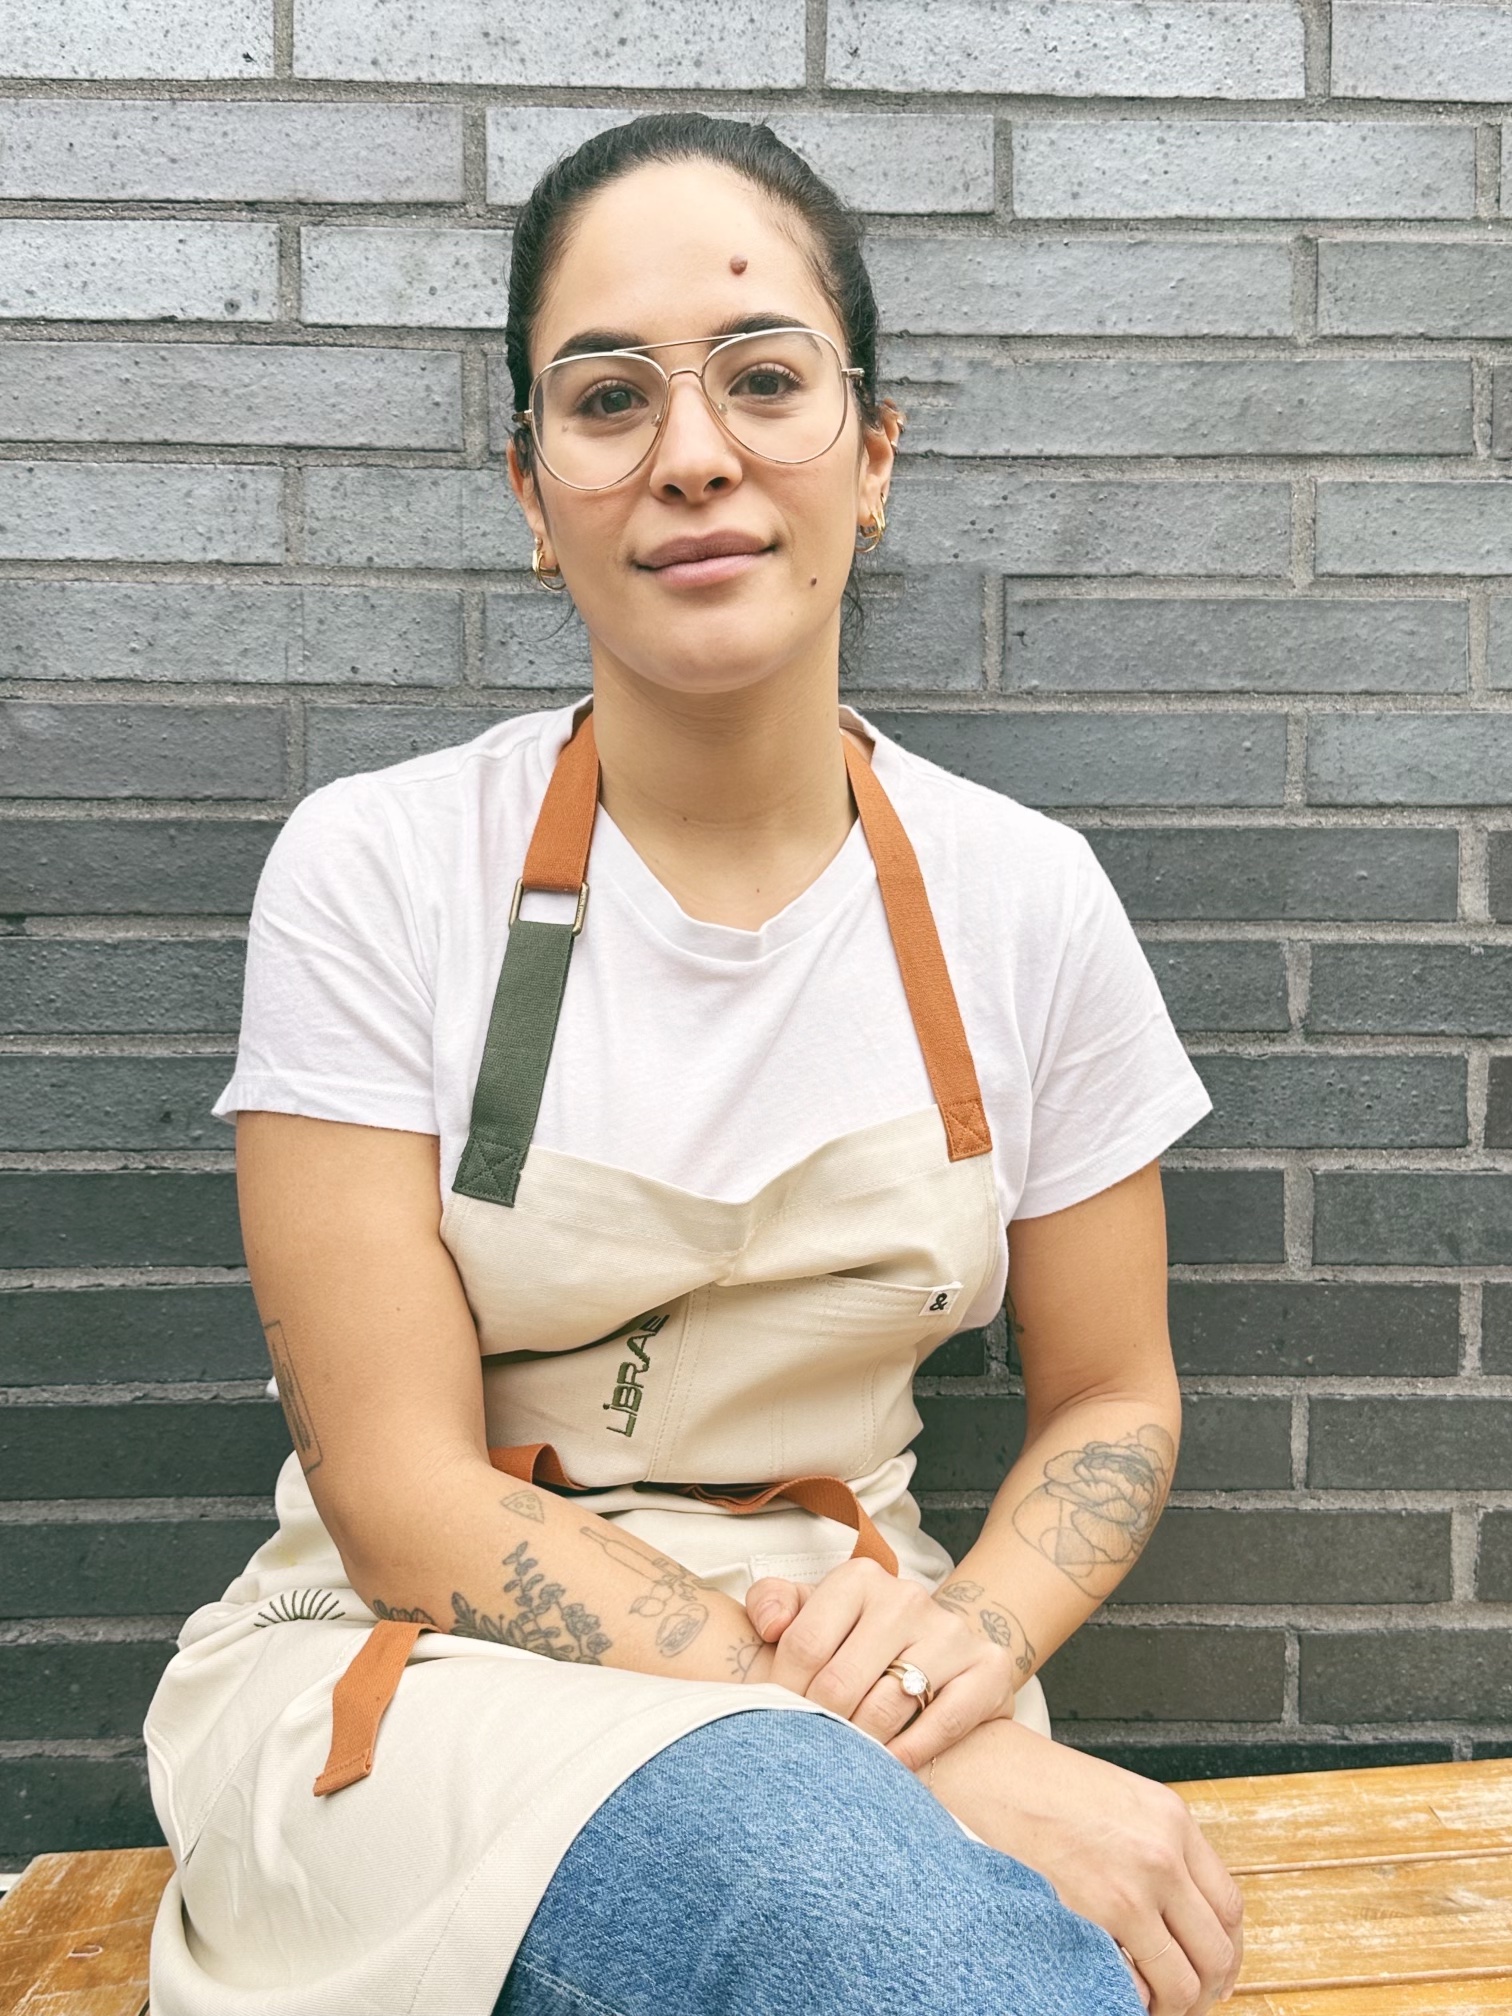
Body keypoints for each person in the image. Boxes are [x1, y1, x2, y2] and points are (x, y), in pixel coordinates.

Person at [142, 112, 1244, 2016]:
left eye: (765, 379)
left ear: (873, 453)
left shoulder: (1029, 897)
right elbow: (398, 1485)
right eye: (607, 400)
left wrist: (970, 1650)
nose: (695, 454)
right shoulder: (378, 869)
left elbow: (1112, 1393)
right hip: (424, 1676)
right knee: (830, 1894)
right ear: (532, 489)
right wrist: (900, 1756)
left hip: (875, 1656)